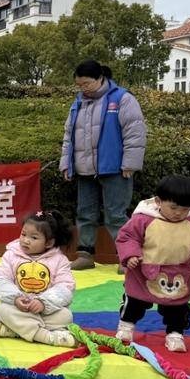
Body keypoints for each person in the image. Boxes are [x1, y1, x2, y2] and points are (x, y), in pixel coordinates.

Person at [115, 175, 190, 353]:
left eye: (184, 209)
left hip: (177, 274)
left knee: (177, 307)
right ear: (158, 201)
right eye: (173, 207)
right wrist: (131, 255)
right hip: (143, 271)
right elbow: (127, 237)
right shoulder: (142, 220)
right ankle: (126, 326)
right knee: (135, 302)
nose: (178, 213)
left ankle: (175, 333)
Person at [59, 59, 147, 271]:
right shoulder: (78, 102)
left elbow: (135, 132)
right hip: (85, 169)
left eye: (87, 84)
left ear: (100, 78)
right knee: (85, 213)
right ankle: (85, 254)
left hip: (115, 168)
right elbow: (68, 136)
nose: (83, 89)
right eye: (79, 85)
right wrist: (66, 164)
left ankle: (126, 257)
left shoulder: (122, 98)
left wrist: (130, 164)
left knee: (116, 214)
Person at [0, 210, 78, 347]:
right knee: (3, 310)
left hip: (45, 311)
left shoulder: (59, 260)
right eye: (23, 234)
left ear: (49, 243)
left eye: (34, 238)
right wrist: (15, 298)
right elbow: (1, 280)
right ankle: (46, 336)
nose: (26, 240)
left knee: (66, 315)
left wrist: (43, 303)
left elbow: (65, 287)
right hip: (20, 308)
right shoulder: (10, 255)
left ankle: (14, 330)